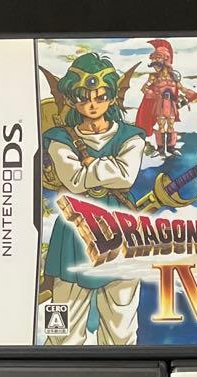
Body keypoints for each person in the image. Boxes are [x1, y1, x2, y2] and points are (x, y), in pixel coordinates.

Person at [39, 53, 145, 345]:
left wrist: (90, 169)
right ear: (71, 99)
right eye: (83, 98)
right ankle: (58, 371)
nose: (92, 104)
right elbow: (73, 180)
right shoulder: (59, 137)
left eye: (101, 96)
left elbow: (126, 177)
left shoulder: (131, 136)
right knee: (62, 330)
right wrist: (107, 168)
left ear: (112, 97)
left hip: (121, 231)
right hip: (74, 232)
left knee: (121, 327)